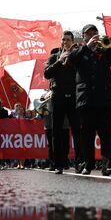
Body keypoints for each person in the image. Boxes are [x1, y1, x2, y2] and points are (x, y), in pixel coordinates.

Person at [68, 24, 111, 176]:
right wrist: (87, 46)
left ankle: (106, 164)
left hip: (103, 100)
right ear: (84, 36)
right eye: (89, 33)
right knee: (87, 135)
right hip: (85, 100)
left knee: (105, 133)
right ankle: (88, 164)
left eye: (95, 33)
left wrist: (107, 48)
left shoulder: (104, 52)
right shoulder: (79, 50)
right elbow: (71, 60)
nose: (93, 35)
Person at [44, 30, 83, 174]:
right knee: (57, 132)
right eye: (63, 40)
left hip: (74, 97)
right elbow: (47, 73)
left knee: (77, 132)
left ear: (72, 42)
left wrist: (73, 56)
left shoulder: (77, 56)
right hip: (58, 97)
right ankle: (58, 163)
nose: (65, 42)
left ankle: (80, 162)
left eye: (68, 40)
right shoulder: (54, 57)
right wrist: (60, 61)